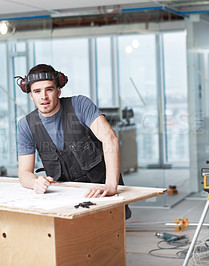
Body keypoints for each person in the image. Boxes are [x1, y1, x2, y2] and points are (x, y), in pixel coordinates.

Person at [15, 64, 131, 218]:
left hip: (100, 192)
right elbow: (24, 173)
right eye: (37, 91)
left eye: (49, 89)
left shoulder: (80, 105)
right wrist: (35, 182)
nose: (43, 96)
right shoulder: (26, 125)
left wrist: (110, 185)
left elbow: (110, 139)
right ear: (31, 95)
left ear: (58, 90)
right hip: (65, 200)